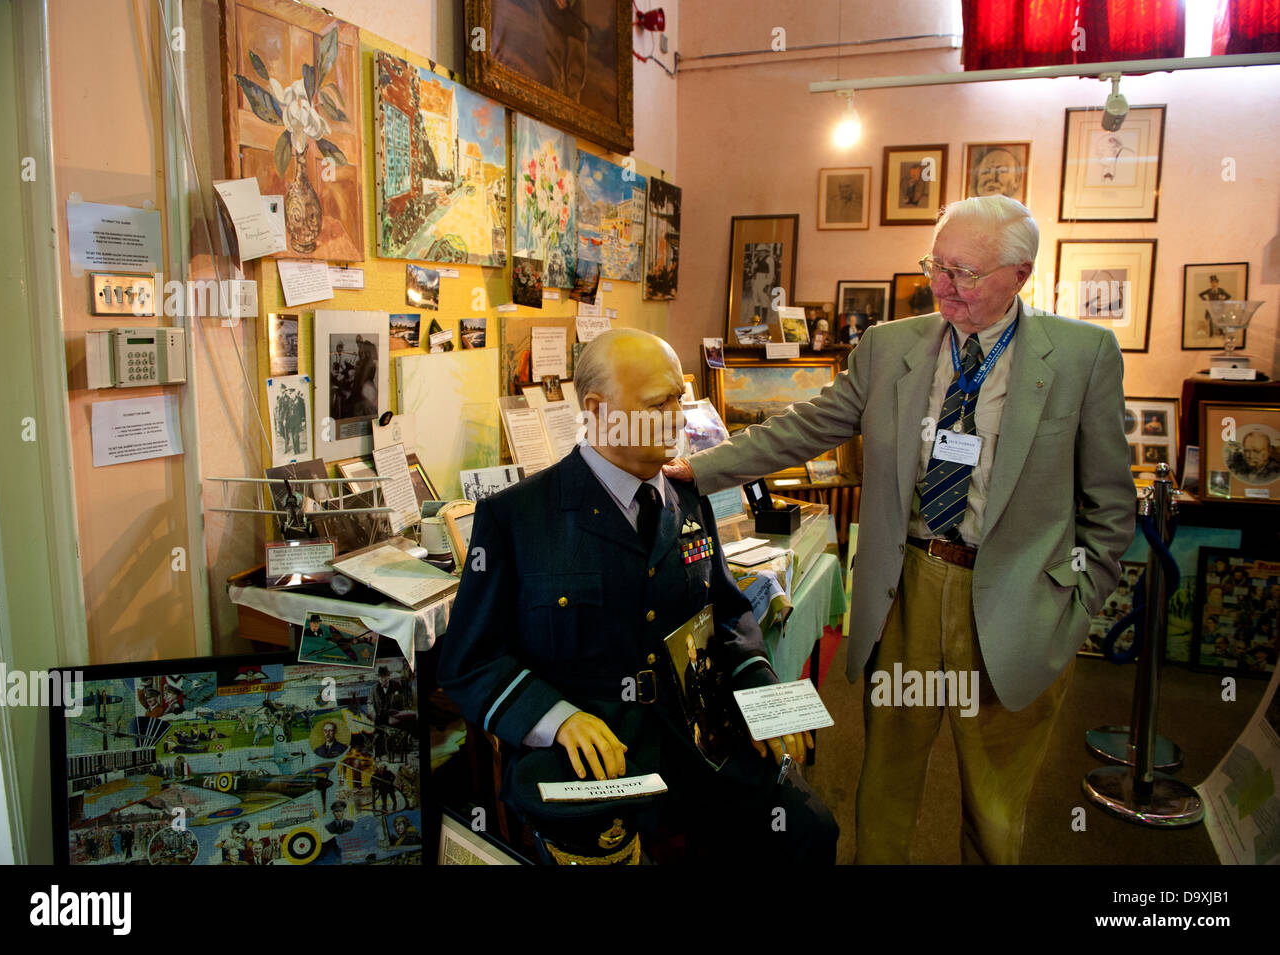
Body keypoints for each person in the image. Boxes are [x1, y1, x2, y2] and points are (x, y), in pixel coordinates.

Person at [667, 196, 1135, 865]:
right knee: (884, 781)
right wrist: (696, 470)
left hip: (1016, 601)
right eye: (936, 266)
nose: (943, 286)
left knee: (996, 807)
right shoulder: (890, 348)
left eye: (965, 273)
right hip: (906, 591)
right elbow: (806, 426)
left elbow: (1111, 506)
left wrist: (1073, 601)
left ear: (1020, 274)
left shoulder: (1083, 356)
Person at [438, 328, 838, 864]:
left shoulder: (686, 495)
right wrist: (556, 717)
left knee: (808, 832)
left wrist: (760, 686)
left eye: (680, 398)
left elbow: (726, 611)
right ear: (600, 410)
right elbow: (470, 661)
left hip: (699, 737)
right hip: (594, 760)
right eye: (659, 403)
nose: (680, 417)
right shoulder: (518, 518)